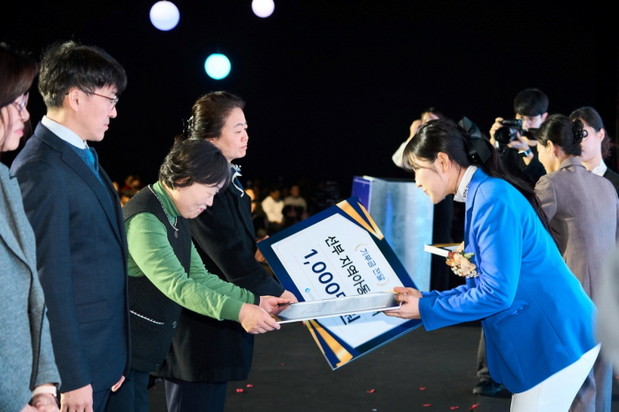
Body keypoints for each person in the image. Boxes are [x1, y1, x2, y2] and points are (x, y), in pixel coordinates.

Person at [385, 119, 599, 412]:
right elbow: (488, 284)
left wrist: (425, 308)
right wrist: (426, 299)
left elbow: (496, 293)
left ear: (443, 162)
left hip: (556, 338)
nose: (417, 182)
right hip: (551, 336)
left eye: (417, 170)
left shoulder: (490, 198)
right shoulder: (485, 194)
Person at [106, 139, 287, 412]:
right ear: (183, 180)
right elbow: (178, 285)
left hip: (137, 355)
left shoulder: (173, 211)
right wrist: (240, 312)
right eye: (209, 192)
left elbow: (199, 275)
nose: (210, 202)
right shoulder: (146, 219)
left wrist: (256, 300)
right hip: (119, 356)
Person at [155, 91, 297, 412]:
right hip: (201, 325)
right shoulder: (200, 186)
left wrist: (256, 252)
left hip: (220, 320)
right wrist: (284, 296)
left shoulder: (229, 181)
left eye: (246, 128)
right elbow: (229, 257)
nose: (246, 136)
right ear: (210, 138)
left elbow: (232, 249)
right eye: (238, 129)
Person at [11, 40, 130, 412]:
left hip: (103, 356)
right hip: (76, 373)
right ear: (76, 98)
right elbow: (47, 284)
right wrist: (71, 376)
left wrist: (115, 354)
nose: (114, 112)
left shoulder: (81, 154)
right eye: (110, 99)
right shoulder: (40, 168)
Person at [534, 113, 618, 412]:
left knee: (576, 387)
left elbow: (531, 240)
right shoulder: (607, 187)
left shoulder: (550, 184)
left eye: (539, 149)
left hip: (572, 296)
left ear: (551, 147)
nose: (538, 157)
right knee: (601, 385)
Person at [0, 43, 61, 412]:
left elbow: (35, 295)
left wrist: (44, 387)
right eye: (17, 103)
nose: (26, 114)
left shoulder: (6, 181)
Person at [488, 88, 548, 187]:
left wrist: (525, 151)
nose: (525, 124)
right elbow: (488, 170)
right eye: (521, 118)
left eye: (531, 119)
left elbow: (545, 180)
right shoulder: (507, 138)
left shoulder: (549, 145)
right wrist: (493, 141)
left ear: (544, 117)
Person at [569, 106, 619, 193]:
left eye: (582, 134)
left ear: (601, 135)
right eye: (574, 135)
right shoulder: (567, 182)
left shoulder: (615, 184)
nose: (578, 142)